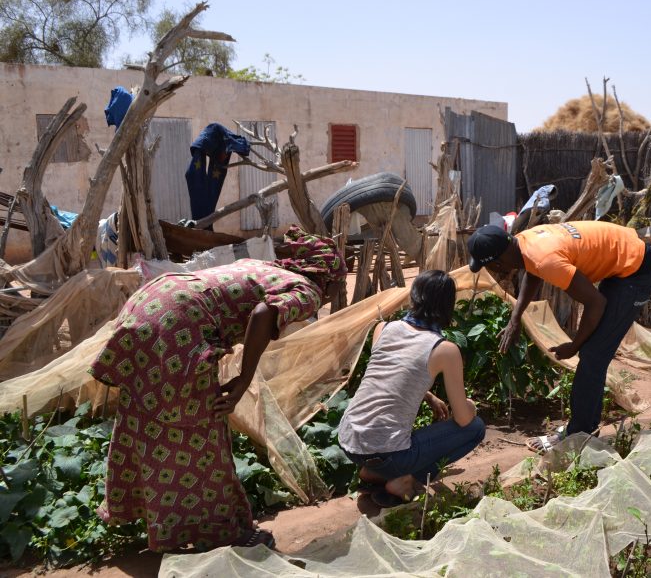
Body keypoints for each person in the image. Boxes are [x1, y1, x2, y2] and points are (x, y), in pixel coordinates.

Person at [88, 226, 346, 553]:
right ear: (328, 276)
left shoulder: (266, 268)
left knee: (144, 415)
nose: (339, 288)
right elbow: (264, 313)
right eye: (339, 280)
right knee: (203, 434)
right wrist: (242, 380)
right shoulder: (306, 288)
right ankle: (222, 532)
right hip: (178, 324)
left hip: (151, 302)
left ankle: (145, 512)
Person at [466, 221, 651, 452]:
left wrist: (575, 345)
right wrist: (515, 318)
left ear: (498, 262)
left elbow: (595, 303)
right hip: (624, 259)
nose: (495, 272)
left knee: (592, 354)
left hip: (637, 270)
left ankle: (578, 434)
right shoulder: (524, 243)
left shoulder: (546, 259)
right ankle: (585, 427)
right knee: (593, 354)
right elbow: (533, 271)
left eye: (492, 267)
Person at [338, 270, 485, 508]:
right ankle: (405, 479)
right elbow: (463, 418)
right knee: (476, 428)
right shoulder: (445, 349)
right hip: (387, 452)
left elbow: (391, 376)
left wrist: (428, 396)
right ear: (449, 306)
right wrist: (471, 406)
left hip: (349, 440)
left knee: (386, 441)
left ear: (413, 298)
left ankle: (372, 472)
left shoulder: (384, 329)